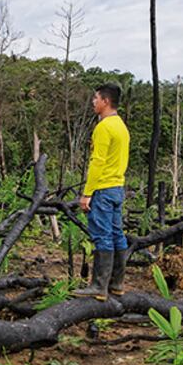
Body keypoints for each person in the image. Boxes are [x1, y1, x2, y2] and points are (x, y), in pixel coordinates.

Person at [73, 83, 131, 301]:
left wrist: (87, 193)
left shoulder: (104, 127)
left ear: (106, 101)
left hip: (103, 190)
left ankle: (99, 286)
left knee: (102, 236)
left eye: (96, 98)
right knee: (117, 234)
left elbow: (98, 162)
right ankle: (116, 284)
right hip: (117, 187)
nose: (93, 102)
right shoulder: (121, 126)